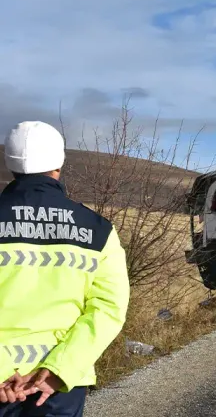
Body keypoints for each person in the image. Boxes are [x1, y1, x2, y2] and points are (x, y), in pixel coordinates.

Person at [0, 121, 130, 416]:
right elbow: (109, 307)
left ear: (11, 164)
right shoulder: (98, 229)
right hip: (60, 386)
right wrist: (62, 368)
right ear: (58, 164)